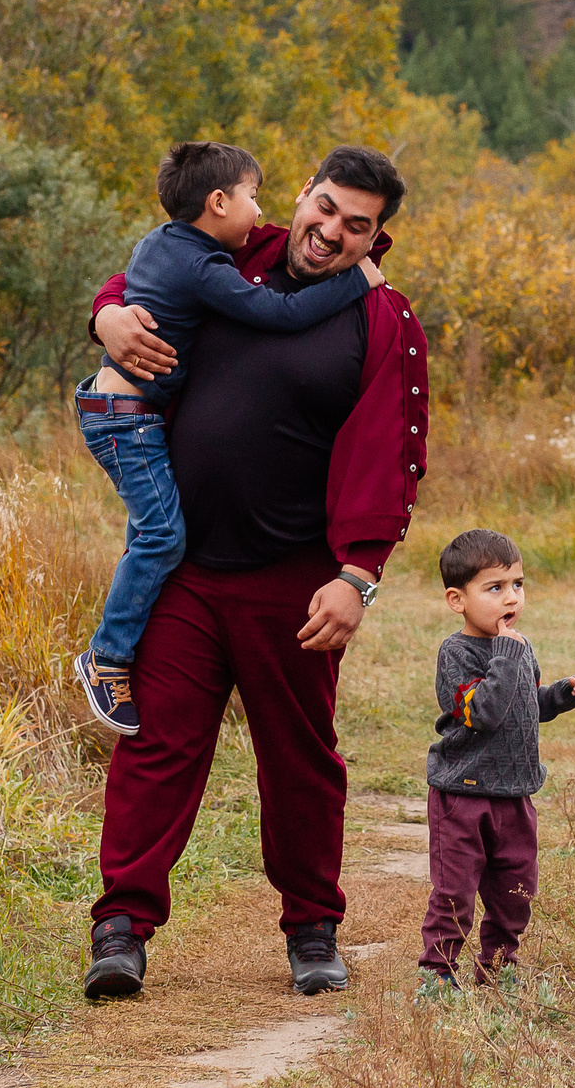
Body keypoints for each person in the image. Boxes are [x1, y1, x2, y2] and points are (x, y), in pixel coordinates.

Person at [76, 146, 429, 1003]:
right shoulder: (234, 254)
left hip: (295, 578)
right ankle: (121, 928)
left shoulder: (383, 320)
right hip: (186, 565)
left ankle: (313, 928)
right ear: (304, 192)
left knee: (301, 759)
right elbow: (149, 272)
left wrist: (358, 575)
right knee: (156, 746)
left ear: (376, 237)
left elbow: (394, 454)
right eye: (327, 206)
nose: (332, 231)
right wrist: (107, 316)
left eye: (358, 224)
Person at [71, 141, 385, 735]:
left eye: (357, 226)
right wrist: (357, 283)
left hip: (117, 408)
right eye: (252, 197)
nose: (257, 210)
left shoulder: (167, 242)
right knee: (162, 537)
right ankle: (106, 657)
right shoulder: (212, 263)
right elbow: (277, 313)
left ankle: (113, 650)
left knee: (153, 530)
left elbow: (136, 279)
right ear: (219, 202)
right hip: (126, 416)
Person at [418, 529, 575, 994]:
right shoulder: (456, 654)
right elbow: (486, 712)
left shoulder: (516, 646)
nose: (510, 597)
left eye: (517, 584)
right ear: (457, 599)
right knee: (455, 893)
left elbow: (522, 704)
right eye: (494, 588)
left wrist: (560, 696)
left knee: (516, 892)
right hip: (462, 796)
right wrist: (508, 653)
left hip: (515, 794)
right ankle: (437, 975)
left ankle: (498, 968)